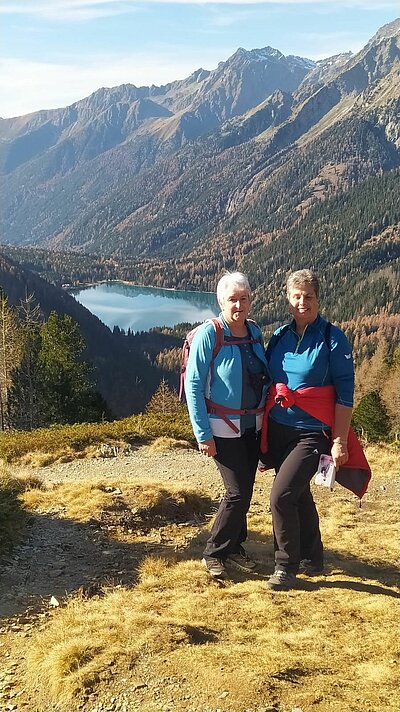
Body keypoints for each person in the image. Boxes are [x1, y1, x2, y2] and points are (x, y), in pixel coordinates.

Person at [260, 269, 370, 591]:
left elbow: (345, 395)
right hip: (279, 429)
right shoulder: (280, 336)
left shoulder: (332, 339)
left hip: (312, 434)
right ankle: (313, 555)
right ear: (288, 299)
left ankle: (285, 565)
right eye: (296, 296)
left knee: (281, 496)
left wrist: (339, 441)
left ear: (318, 299)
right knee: (299, 493)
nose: (302, 302)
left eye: (309, 296)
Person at [185, 271, 272, 578]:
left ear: (251, 300)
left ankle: (235, 546)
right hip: (222, 428)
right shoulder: (212, 333)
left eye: (243, 299)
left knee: (245, 489)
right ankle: (215, 551)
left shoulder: (254, 331)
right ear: (221, 302)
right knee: (236, 492)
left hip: (252, 425)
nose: (239, 305)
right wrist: (202, 434)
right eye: (232, 300)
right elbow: (194, 385)